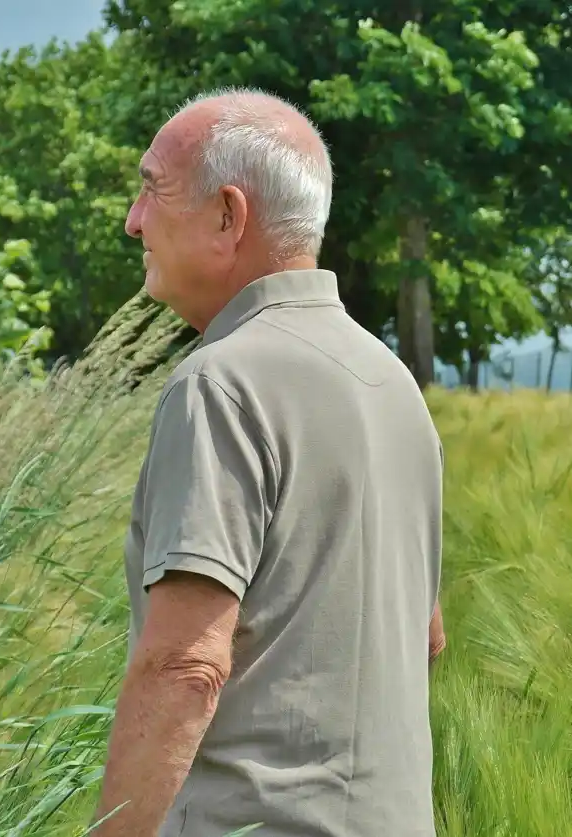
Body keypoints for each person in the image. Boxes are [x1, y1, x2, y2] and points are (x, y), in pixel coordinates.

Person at [90, 87, 447, 836]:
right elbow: (425, 636)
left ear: (227, 215)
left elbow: (185, 666)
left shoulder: (219, 381)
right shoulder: (392, 384)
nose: (132, 220)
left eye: (151, 189)